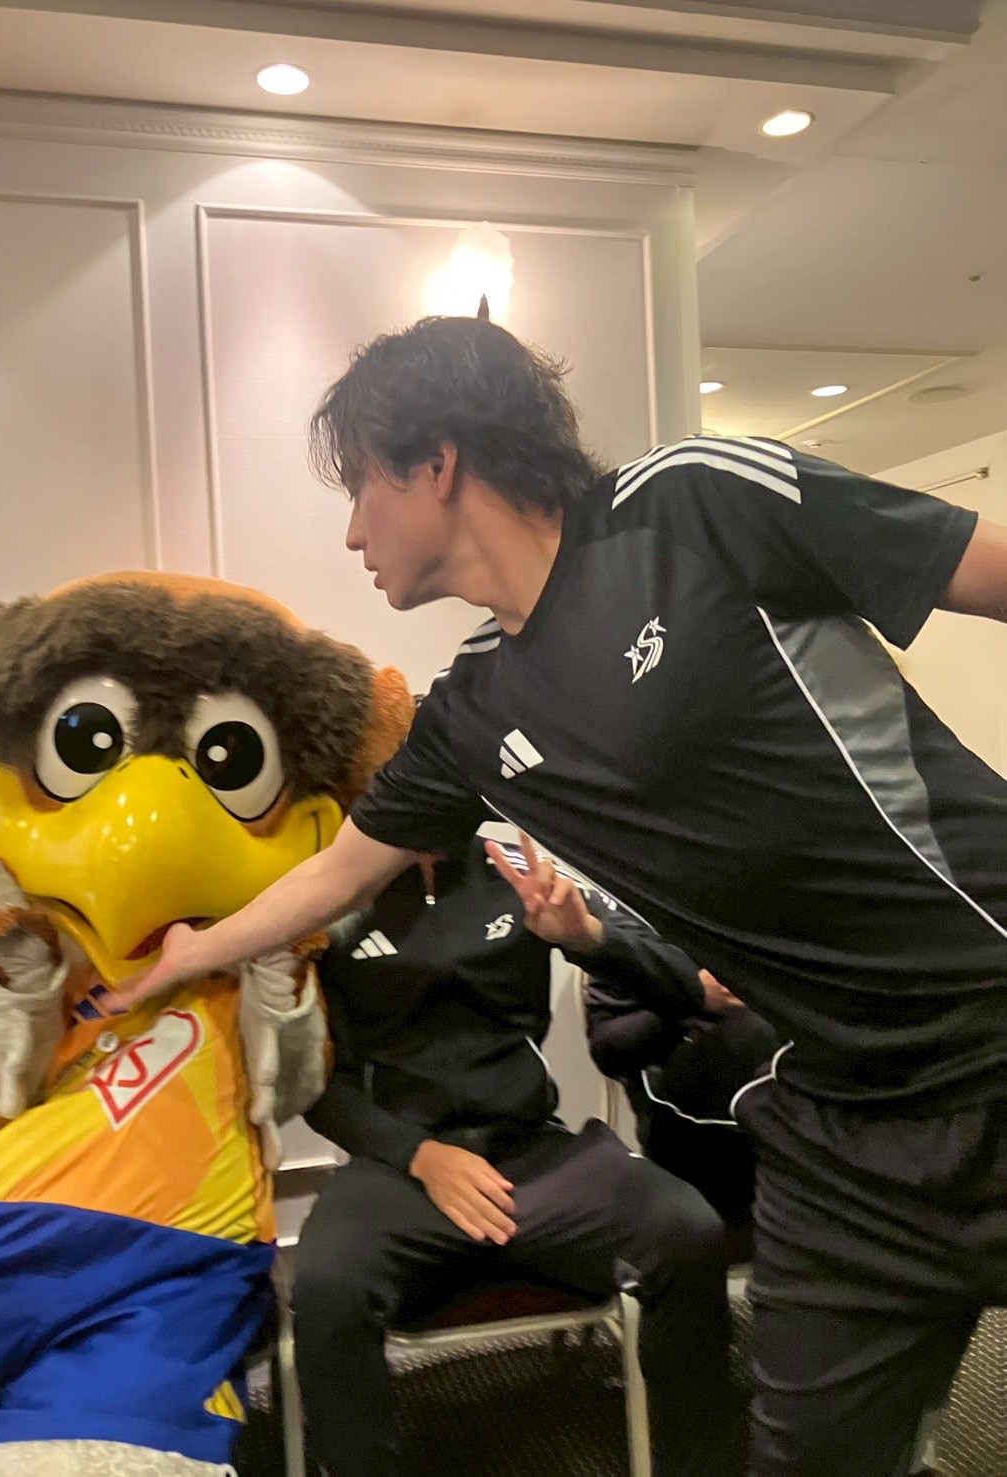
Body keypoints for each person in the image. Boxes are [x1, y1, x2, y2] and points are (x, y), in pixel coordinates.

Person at [125, 315, 1007, 1477]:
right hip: (845, 1122)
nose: (352, 532)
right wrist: (188, 955)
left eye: (361, 488)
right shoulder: (472, 710)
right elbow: (336, 873)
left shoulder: (689, 503)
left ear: (436, 461)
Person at [293, 835, 742, 1477]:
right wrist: (418, 1155)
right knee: (326, 1289)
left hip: (532, 1151)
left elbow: (681, 987)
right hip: (402, 1168)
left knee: (687, 1230)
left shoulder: (515, 867)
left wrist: (585, 936)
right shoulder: (330, 891)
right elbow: (312, 1085)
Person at [583, 958, 778, 1263]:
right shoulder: (631, 939)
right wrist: (694, 996)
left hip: (802, 1136)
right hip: (690, 1144)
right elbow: (609, 1050)